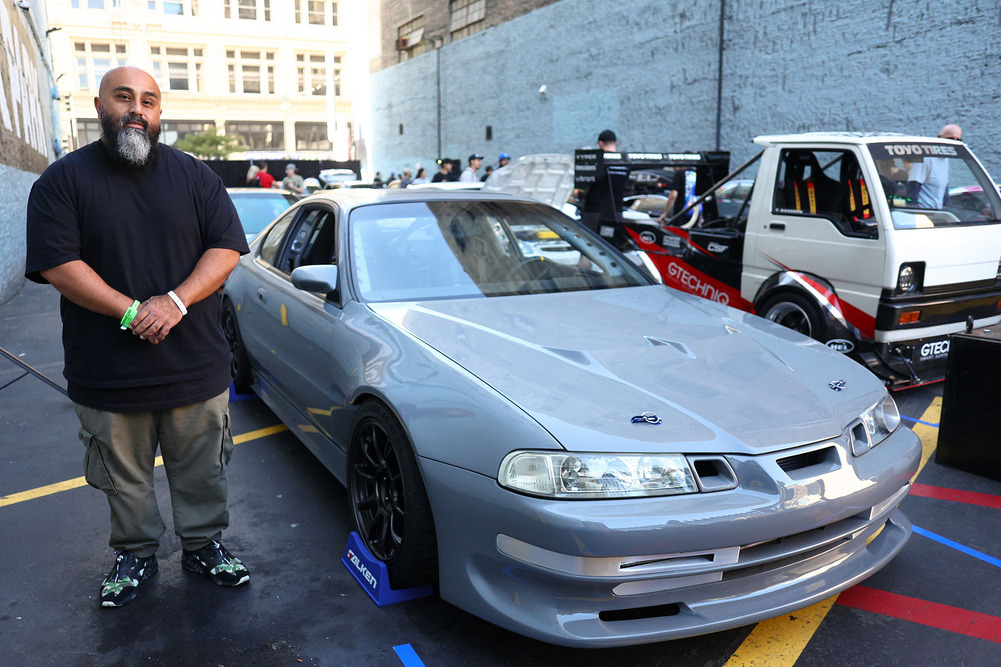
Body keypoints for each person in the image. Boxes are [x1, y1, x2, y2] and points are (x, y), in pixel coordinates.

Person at [24, 66, 251, 608]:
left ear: (158, 114)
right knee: (122, 478)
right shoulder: (61, 181)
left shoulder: (197, 178)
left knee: (203, 469)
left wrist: (174, 301)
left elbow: (225, 249)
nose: (136, 109)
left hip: (196, 367)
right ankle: (135, 553)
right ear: (99, 104)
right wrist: (131, 311)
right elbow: (58, 263)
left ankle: (203, 545)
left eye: (148, 101)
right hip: (107, 374)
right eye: (123, 97)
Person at [907, 124, 962, 209]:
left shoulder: (945, 159)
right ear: (939, 137)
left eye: (958, 140)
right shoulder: (925, 158)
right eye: (950, 139)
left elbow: (943, 191)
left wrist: (950, 209)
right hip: (924, 212)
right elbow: (913, 188)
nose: (953, 143)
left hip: (937, 212)